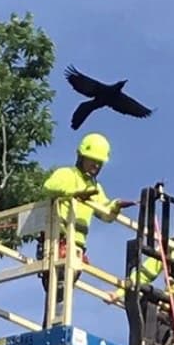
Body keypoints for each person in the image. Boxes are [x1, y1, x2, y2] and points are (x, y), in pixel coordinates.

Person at [39, 132, 135, 315]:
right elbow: (49, 187)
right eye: (93, 160)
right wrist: (75, 193)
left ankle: (53, 321)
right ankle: (51, 321)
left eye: (99, 163)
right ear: (81, 157)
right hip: (57, 241)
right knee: (58, 290)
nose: (96, 166)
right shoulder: (67, 174)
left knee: (63, 293)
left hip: (77, 247)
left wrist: (115, 206)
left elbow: (105, 213)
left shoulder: (95, 188)